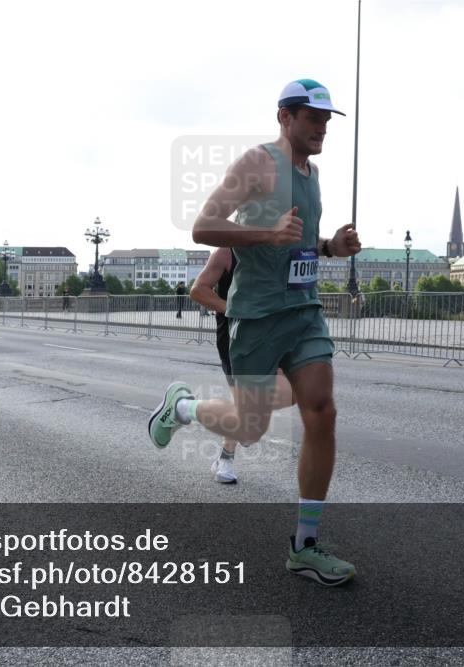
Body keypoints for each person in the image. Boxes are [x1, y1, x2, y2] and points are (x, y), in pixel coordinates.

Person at [147, 79, 361, 586]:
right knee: (249, 428)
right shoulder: (257, 164)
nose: (322, 127)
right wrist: (263, 234)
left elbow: (301, 243)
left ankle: (305, 546)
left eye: (327, 119)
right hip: (258, 316)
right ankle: (181, 408)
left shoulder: (312, 174)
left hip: (304, 310)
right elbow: (203, 226)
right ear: (285, 117)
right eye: (313, 117)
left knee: (321, 410)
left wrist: (332, 247)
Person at [189, 247, 295, 484]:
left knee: (292, 393)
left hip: (271, 337)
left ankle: (242, 425)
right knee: (246, 417)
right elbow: (198, 290)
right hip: (235, 341)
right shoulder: (226, 253)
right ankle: (224, 455)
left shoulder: (276, 252)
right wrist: (234, 309)